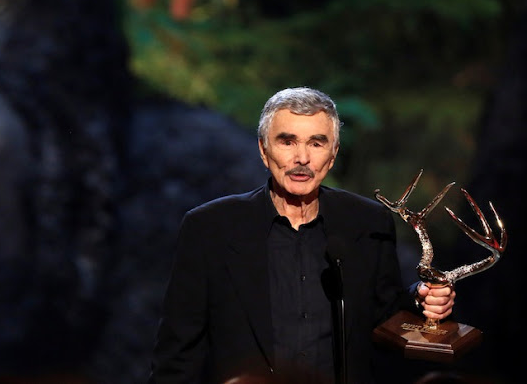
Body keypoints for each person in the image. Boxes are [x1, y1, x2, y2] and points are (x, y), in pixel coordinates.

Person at [148, 87, 455, 384]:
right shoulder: (210, 228)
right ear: (263, 150)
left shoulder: (367, 221)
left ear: (333, 155)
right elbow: (177, 355)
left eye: (317, 143)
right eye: (288, 142)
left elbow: (385, 314)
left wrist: (421, 298)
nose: (302, 158)